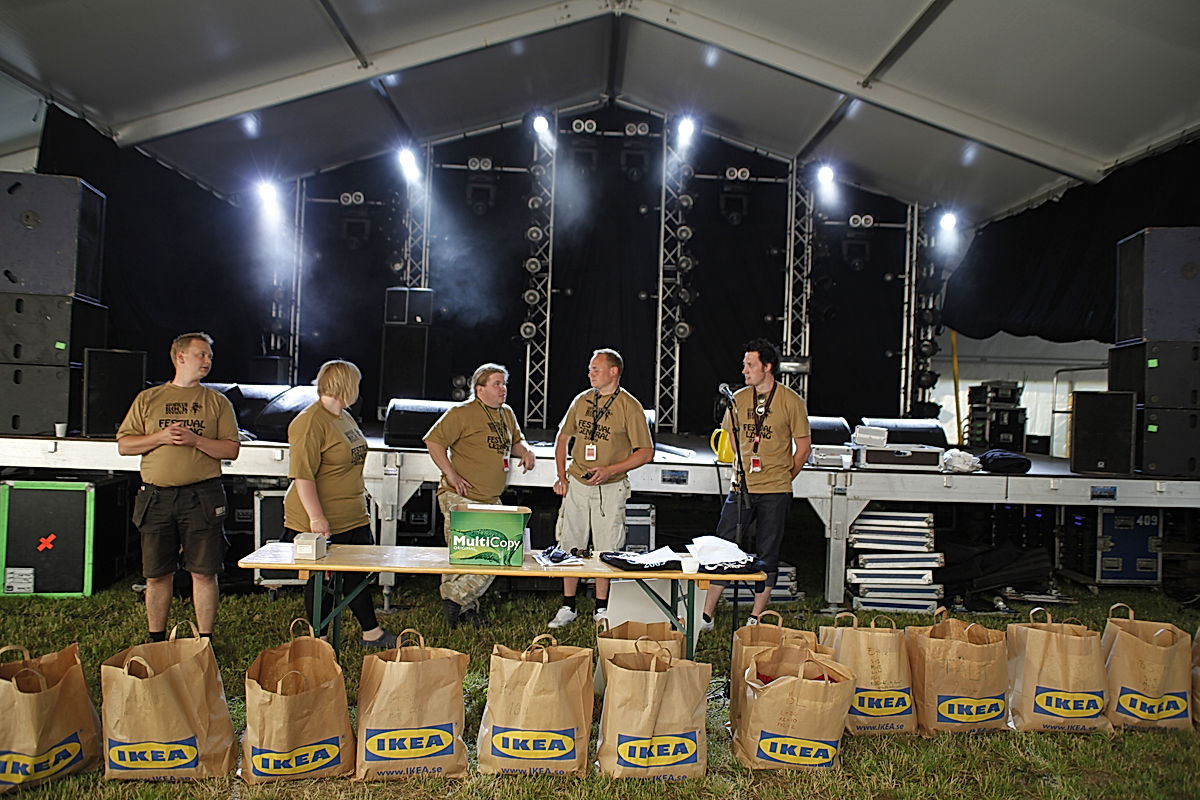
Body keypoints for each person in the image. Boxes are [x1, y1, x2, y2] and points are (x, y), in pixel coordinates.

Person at [117, 332, 240, 642]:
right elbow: (125, 446)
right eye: (202, 354)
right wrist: (160, 437)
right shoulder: (149, 399)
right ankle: (156, 639)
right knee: (156, 574)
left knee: (204, 571)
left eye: (210, 356)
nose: (208, 360)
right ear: (180, 357)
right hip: (156, 496)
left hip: (202, 496)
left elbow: (231, 450)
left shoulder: (216, 402)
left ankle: (205, 641)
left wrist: (195, 440)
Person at [281, 360, 395, 648]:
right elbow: (303, 476)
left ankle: (371, 632)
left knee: (356, 576)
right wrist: (317, 519)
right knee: (323, 579)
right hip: (323, 517)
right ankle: (317, 641)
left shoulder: (343, 416)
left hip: (352, 514)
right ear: (347, 384)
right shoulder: (310, 422)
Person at [700, 338, 811, 630]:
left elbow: (803, 447)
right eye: (744, 365)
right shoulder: (738, 398)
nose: (745, 370)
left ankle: (754, 618)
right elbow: (732, 437)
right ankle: (706, 615)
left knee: (768, 551)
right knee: (723, 546)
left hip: (775, 489)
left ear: (767, 366)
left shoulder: (790, 401)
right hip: (742, 486)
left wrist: (786, 476)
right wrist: (743, 462)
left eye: (751, 365)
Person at [548, 348, 654, 628]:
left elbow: (645, 452)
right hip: (578, 485)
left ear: (613, 371)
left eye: (596, 369)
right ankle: (568, 606)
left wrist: (610, 470)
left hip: (610, 488)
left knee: (606, 549)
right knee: (570, 543)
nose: (590, 373)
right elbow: (562, 438)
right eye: (590, 369)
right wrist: (561, 476)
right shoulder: (582, 400)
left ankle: (601, 608)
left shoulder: (629, 406)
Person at [424, 363, 536, 628]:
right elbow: (433, 441)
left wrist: (526, 451)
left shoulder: (506, 414)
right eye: (496, 384)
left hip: (490, 498)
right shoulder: (462, 413)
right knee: (473, 556)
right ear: (480, 389)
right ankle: (460, 603)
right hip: (461, 496)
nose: (503, 389)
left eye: (504, 383)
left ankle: (458, 603)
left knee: (484, 556)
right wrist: (451, 474)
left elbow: (515, 442)